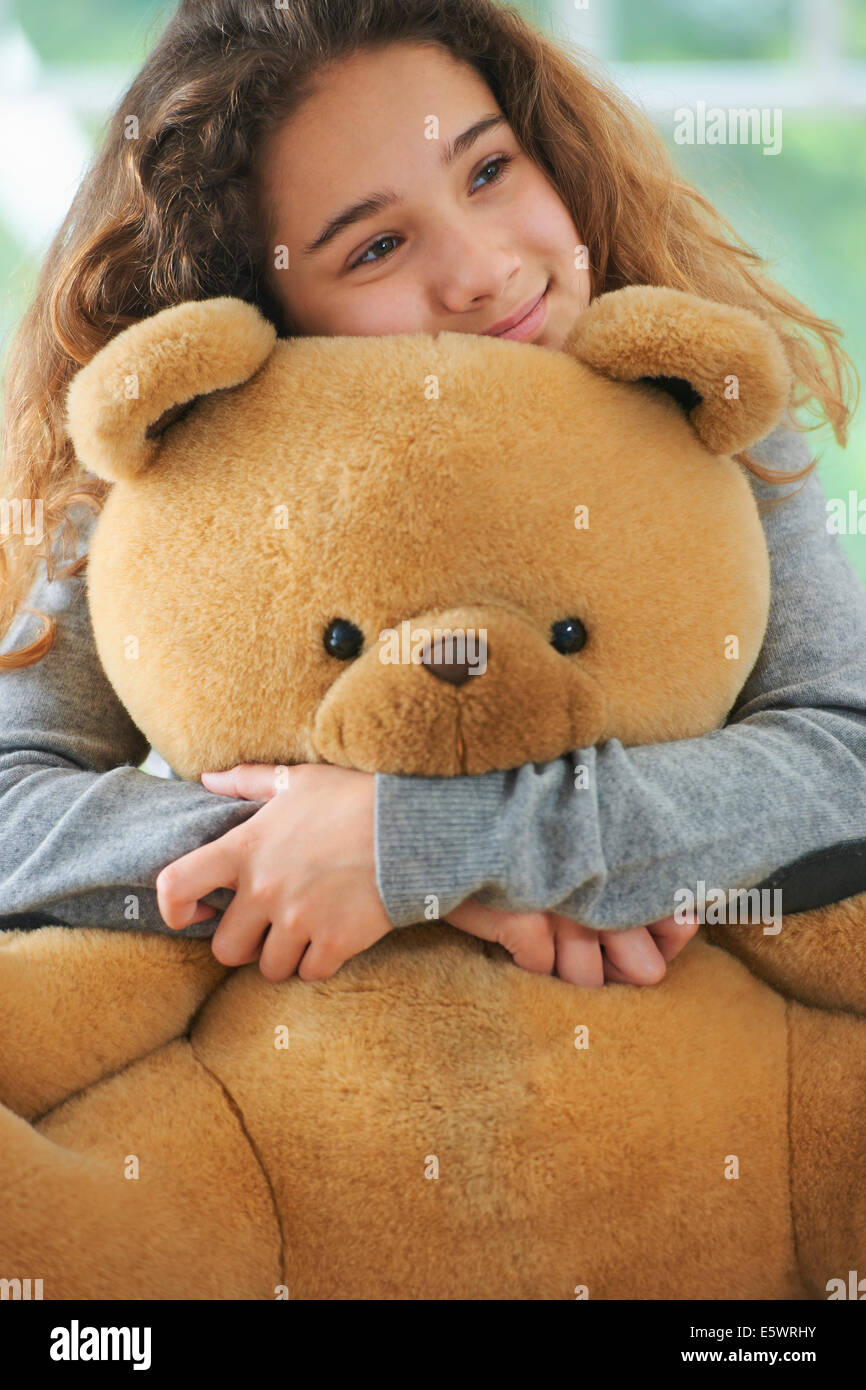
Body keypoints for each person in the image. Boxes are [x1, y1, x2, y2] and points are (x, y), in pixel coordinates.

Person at [1, 1, 864, 990]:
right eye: (374, 247)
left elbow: (843, 753)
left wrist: (423, 846)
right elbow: (10, 807)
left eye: (488, 170)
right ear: (249, 304)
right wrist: (323, 849)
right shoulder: (175, 464)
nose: (481, 269)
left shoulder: (698, 405)